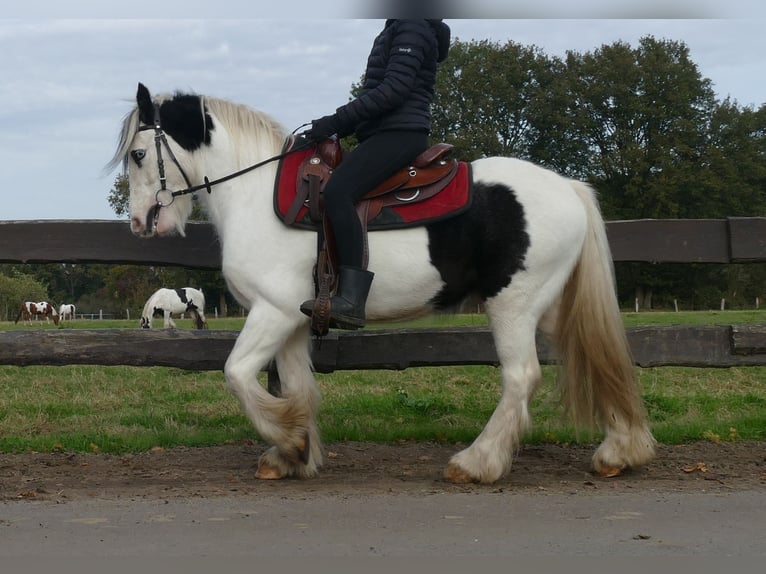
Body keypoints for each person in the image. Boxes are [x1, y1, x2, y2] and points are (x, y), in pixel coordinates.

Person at [300, 19, 451, 330]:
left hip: (398, 133)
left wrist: (335, 121)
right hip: (386, 130)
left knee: (340, 191)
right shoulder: (401, 27)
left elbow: (393, 91)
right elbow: (378, 93)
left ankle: (352, 301)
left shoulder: (413, 27)